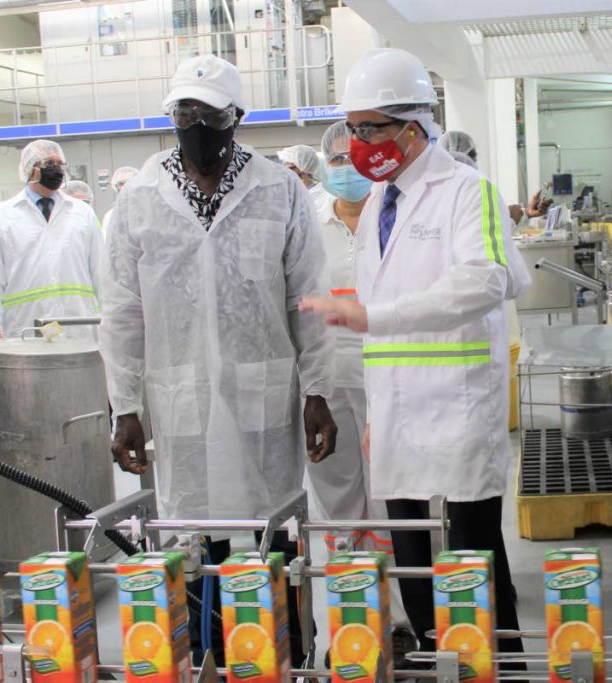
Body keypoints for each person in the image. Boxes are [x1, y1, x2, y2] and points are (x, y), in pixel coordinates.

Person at [98, 54, 337, 663]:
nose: (196, 125)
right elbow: (122, 312)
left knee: (271, 529)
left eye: (210, 114)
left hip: (263, 395)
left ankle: (283, 658)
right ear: (171, 117)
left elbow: (307, 302)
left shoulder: (278, 189)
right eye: (184, 113)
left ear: (237, 119)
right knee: (193, 539)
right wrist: (124, 407)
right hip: (180, 400)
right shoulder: (140, 198)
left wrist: (318, 391)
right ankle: (209, 662)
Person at [300, 47, 531, 663]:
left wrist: (375, 316)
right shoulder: (380, 200)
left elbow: (486, 279)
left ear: (412, 126)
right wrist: (377, 415)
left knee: (473, 571)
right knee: (415, 573)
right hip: (398, 417)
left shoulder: (466, 190)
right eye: (351, 128)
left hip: (456, 413)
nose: (356, 143)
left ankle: (502, 674)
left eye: (368, 128)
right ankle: (442, 669)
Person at [309, 119, 416, 661]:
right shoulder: (307, 219)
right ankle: (352, 623)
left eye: (350, 156)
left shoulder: (391, 209)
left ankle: (398, 619)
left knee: (391, 499)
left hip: (387, 375)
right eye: (333, 161)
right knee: (337, 505)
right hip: (325, 384)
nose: (344, 168)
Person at [0, 139, 103, 341]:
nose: (55, 169)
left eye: (59, 163)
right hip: (25, 327)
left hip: (78, 324)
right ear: (29, 168)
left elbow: (102, 272)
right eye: (47, 164)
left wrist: (112, 321)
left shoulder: (83, 214)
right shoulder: (2, 217)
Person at [279, 144, 333, 213]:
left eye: (290, 168)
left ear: (303, 168)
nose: (285, 172)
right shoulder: (289, 195)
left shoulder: (323, 199)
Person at [101, 166, 138, 236]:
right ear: (116, 186)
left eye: (129, 182)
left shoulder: (149, 211)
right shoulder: (110, 216)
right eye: (121, 184)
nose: (125, 186)